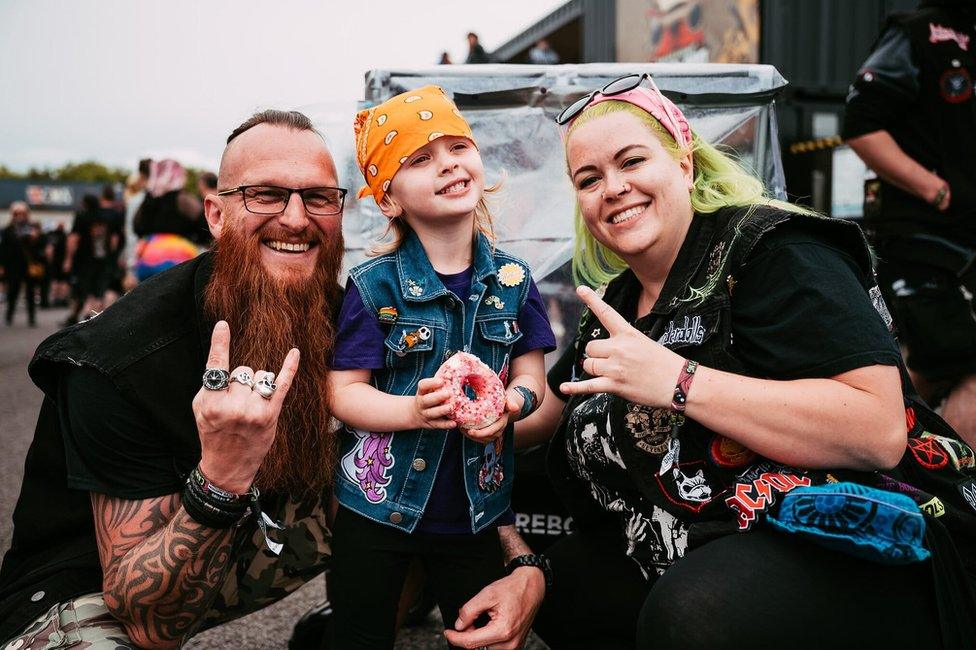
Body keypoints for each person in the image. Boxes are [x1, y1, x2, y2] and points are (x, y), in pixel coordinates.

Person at [488, 74, 976, 649]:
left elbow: (879, 430)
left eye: (632, 161)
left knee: (697, 613)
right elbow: (552, 408)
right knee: (562, 589)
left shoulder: (779, 251)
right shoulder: (617, 304)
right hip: (696, 536)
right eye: (589, 179)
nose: (612, 188)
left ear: (685, 164)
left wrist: (677, 380)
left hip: (860, 537)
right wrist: (487, 398)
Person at [0, 109, 343, 648]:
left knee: (399, 474)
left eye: (319, 197)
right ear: (215, 214)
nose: (297, 219)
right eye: (266, 195)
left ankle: (366, 617)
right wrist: (225, 473)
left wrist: (522, 561)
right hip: (96, 593)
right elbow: (149, 623)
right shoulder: (119, 356)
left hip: (246, 537)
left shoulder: (345, 311)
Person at [327, 84, 556, 648]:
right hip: (375, 511)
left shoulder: (515, 281)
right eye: (421, 158)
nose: (448, 163)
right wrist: (411, 410)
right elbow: (344, 393)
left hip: (475, 514)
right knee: (359, 633)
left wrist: (514, 404)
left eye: (457, 146)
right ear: (388, 199)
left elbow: (533, 380)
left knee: (474, 634)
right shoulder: (372, 286)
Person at [844, 0, 976, 444]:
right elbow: (861, 125)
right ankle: (957, 497)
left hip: (962, 238)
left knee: (923, 367)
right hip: (925, 238)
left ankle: (888, 466)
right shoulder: (919, 32)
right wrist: (936, 191)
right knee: (962, 368)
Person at [132, 159, 204, 282]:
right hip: (178, 258)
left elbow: (137, 227)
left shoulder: (148, 200)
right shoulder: (183, 200)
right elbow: (204, 224)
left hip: (147, 257)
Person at [0, 201, 44, 326]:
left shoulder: (32, 228)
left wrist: (35, 238)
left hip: (29, 265)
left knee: (30, 292)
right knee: (13, 291)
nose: (20, 216)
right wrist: (2, 265)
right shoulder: (8, 230)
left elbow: (41, 246)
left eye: (22, 213)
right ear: (13, 215)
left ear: (27, 214)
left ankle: (31, 318)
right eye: (17, 213)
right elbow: (3, 249)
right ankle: (9, 315)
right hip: (13, 266)